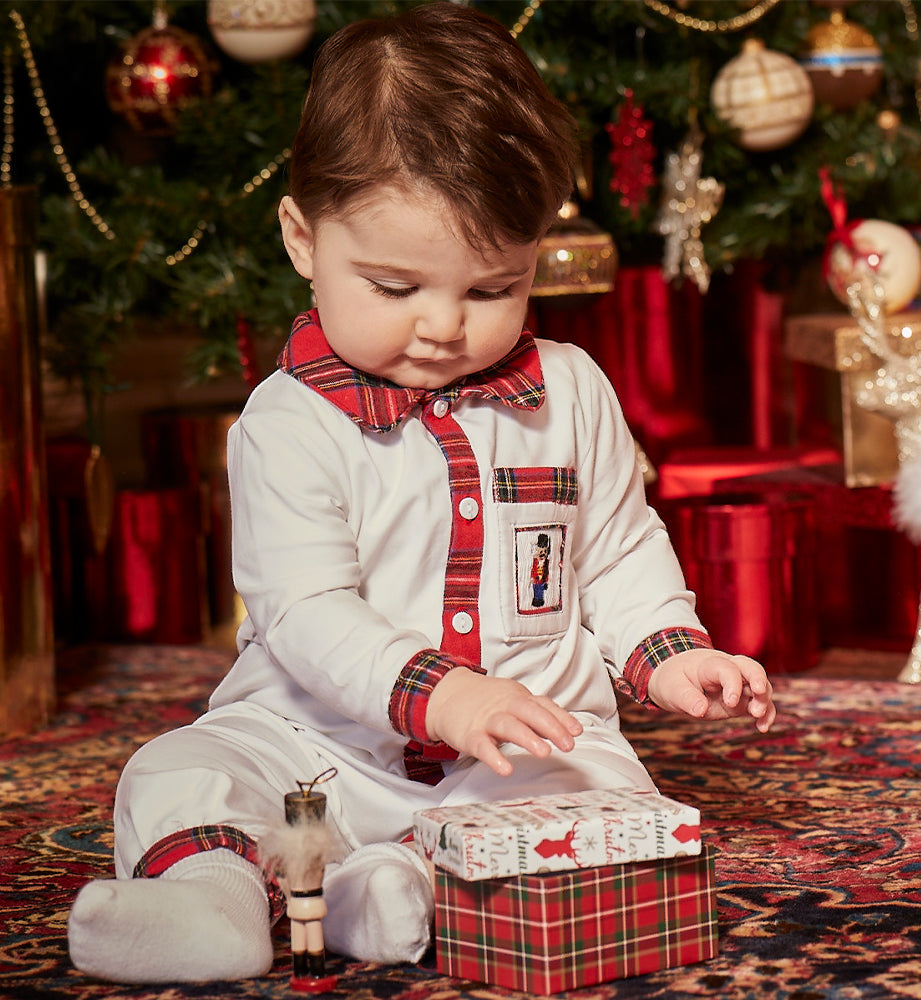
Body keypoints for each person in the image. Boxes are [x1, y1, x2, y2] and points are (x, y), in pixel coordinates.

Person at [68, 2, 776, 984]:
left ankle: (394, 886)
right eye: (396, 286)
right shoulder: (286, 421)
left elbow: (616, 550)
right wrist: (441, 693)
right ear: (302, 239)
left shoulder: (570, 391)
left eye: (492, 288)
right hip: (315, 741)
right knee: (182, 770)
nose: (444, 325)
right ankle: (212, 900)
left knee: (613, 810)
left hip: (520, 754)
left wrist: (667, 652)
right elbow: (309, 614)